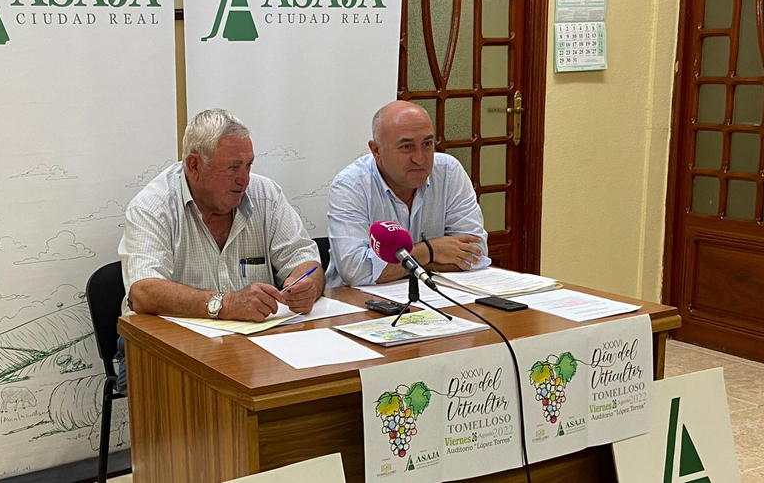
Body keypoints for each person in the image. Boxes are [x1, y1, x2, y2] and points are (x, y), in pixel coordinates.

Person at [115, 109, 324, 394]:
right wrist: (226, 304)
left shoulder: (266, 196)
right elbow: (143, 292)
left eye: (248, 165)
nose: (244, 179)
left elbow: (305, 260)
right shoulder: (152, 207)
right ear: (194, 165)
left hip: (250, 343)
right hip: (167, 349)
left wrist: (306, 285)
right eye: (233, 168)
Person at [326, 100, 490, 287]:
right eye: (407, 147)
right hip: (355, 300)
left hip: (436, 293)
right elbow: (356, 271)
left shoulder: (448, 172)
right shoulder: (350, 185)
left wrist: (399, 268)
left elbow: (475, 253)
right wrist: (429, 251)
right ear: (376, 151)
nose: (420, 158)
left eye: (427, 144)